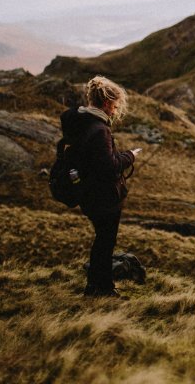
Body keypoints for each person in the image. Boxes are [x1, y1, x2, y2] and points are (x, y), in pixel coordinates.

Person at [60, 75, 141, 297]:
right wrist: (129, 156)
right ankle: (102, 289)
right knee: (105, 243)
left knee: (102, 241)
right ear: (106, 103)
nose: (115, 111)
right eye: (114, 106)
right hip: (102, 196)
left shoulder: (80, 122)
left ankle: (95, 286)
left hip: (87, 191)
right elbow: (109, 166)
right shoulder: (99, 130)